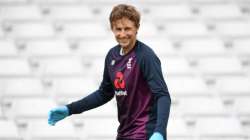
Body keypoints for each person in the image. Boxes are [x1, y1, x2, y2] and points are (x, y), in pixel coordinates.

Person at [48, 4, 171, 140]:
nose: (123, 34)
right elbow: (104, 93)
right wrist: (69, 109)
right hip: (124, 133)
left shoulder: (146, 56)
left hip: (145, 132)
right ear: (112, 29)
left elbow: (163, 95)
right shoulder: (112, 55)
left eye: (127, 28)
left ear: (137, 28)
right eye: (118, 29)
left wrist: (159, 132)